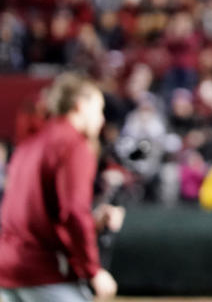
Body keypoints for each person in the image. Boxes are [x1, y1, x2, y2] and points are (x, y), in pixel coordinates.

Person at [0, 72, 123, 302]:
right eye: (98, 109)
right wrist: (93, 270)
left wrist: (93, 221)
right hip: (44, 272)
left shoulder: (30, 143)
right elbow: (74, 212)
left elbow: (33, 214)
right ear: (80, 106)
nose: (101, 119)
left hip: (7, 270)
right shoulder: (73, 144)